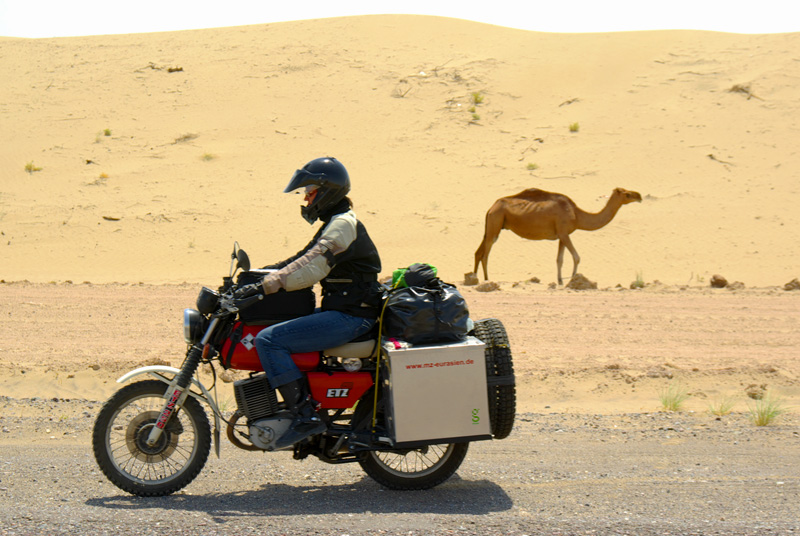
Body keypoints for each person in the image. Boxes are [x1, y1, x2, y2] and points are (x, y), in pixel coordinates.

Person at [235, 157, 382, 449]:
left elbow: (311, 267)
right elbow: (300, 258)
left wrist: (269, 284)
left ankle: (305, 416)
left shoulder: (343, 225)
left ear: (328, 191)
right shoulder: (335, 223)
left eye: (310, 191)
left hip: (352, 317)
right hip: (344, 312)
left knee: (269, 340)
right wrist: (258, 277)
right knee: (277, 328)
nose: (306, 198)